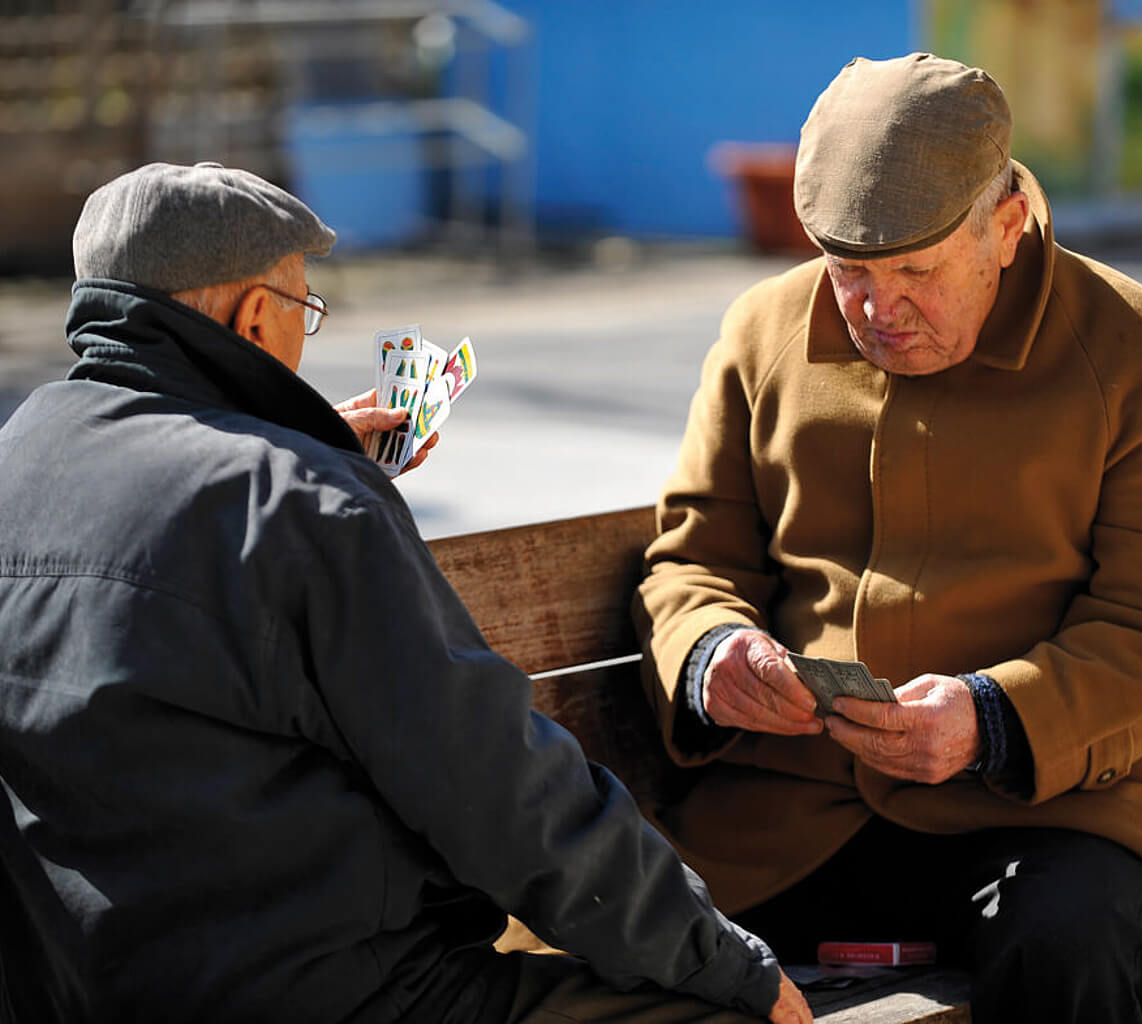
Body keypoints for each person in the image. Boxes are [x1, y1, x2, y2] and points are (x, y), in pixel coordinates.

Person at [0, 161, 812, 1024]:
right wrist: (730, 967)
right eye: (304, 311)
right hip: (332, 995)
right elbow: (503, 792)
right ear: (254, 317)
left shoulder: (18, 459)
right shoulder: (301, 504)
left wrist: (289, 443)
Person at [634, 52, 1142, 1022]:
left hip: (1055, 808)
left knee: (1073, 938)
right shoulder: (759, 331)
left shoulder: (1139, 352)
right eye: (846, 269)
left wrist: (989, 718)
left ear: (1006, 224)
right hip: (786, 817)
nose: (875, 308)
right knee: (610, 938)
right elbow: (691, 558)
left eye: (915, 271)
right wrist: (709, 655)